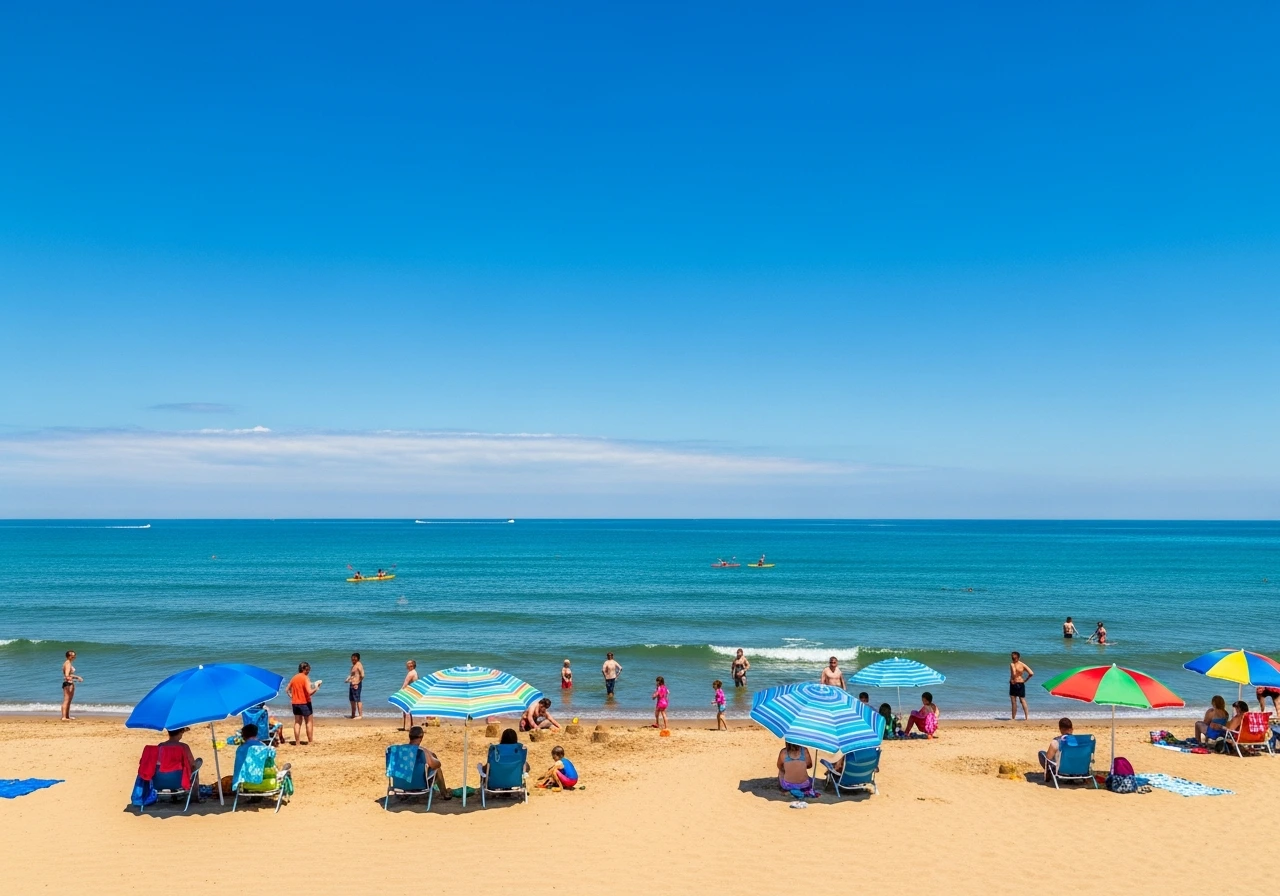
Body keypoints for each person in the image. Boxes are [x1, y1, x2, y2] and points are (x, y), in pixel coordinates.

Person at [407, 725, 450, 799]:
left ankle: (404, 795)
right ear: (421, 737)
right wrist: (433, 757)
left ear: (409, 736)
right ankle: (445, 794)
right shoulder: (423, 752)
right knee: (437, 769)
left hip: (402, 784)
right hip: (418, 784)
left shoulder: (399, 751)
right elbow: (436, 765)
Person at [288, 662, 321, 745]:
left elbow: (287, 689)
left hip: (295, 703)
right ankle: (310, 741)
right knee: (309, 722)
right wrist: (316, 688)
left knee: (297, 722)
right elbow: (309, 692)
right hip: (305, 703)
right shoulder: (305, 678)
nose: (308, 671)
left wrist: (291, 696)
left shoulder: (294, 677)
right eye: (307, 670)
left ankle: (297, 742)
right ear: (303, 669)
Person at [1008, 651, 1034, 720]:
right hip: (1021, 683)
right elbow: (1031, 673)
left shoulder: (1012, 664)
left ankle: (1013, 718)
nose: (1013, 659)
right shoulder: (1023, 664)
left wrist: (1012, 679)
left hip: (1014, 683)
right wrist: (1025, 680)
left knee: (1014, 701)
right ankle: (1027, 718)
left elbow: (1013, 673)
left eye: (1013, 658)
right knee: (1022, 700)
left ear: (1017, 658)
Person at [60, 650, 83, 721]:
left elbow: (69, 674)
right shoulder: (67, 663)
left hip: (68, 683)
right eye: (73, 656)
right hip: (68, 683)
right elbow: (67, 675)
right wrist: (76, 678)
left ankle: (67, 716)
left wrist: (77, 677)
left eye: (74, 655)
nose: (74, 657)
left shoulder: (68, 663)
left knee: (69, 700)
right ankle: (64, 717)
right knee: (66, 700)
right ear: (68, 656)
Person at [400, 659, 419, 730]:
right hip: (413, 692)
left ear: (411, 665)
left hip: (410, 693)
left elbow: (405, 684)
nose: (406, 665)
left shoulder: (411, 673)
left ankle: (407, 727)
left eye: (407, 664)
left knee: (406, 709)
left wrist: (400, 693)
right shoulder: (415, 672)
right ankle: (411, 725)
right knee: (409, 709)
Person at [346, 652, 365, 720]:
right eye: (352, 658)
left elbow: (362, 675)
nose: (353, 659)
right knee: (352, 700)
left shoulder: (359, 665)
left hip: (356, 684)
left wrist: (358, 682)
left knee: (357, 699)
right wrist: (348, 679)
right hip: (352, 684)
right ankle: (353, 715)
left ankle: (360, 715)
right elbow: (352, 675)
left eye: (354, 658)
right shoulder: (353, 666)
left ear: (358, 659)